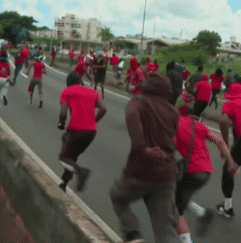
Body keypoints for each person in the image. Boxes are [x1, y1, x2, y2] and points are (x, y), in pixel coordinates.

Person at [110, 73, 181, 243]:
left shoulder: (138, 103)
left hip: (140, 170)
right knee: (164, 228)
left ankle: (133, 233)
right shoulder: (173, 112)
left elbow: (132, 117)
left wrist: (143, 148)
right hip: (167, 173)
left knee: (118, 197)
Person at [174, 92, 239, 243]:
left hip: (192, 171)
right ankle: (201, 212)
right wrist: (230, 163)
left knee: (176, 210)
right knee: (179, 191)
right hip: (206, 172)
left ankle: (189, 237)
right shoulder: (198, 125)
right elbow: (220, 141)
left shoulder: (176, 123)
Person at [57, 71, 107, 192]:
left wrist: (61, 123)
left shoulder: (67, 91)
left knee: (63, 157)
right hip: (91, 132)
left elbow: (63, 113)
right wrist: (93, 122)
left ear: (68, 83)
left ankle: (81, 171)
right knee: (72, 157)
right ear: (80, 81)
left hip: (76, 130)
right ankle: (64, 183)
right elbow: (103, 108)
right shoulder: (93, 92)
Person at [217, 83, 241, 218]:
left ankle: (227, 208)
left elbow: (223, 121)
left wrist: (225, 145)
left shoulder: (230, 104)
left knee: (228, 171)